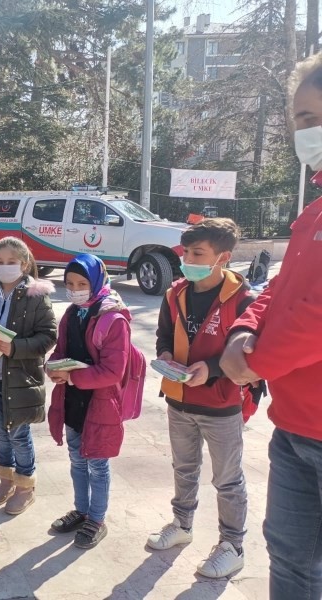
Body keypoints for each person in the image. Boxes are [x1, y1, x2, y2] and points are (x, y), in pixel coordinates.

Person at [221, 54, 322, 599]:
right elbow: (280, 290)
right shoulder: (314, 214)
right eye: (301, 119)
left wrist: (254, 362)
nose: (307, 131)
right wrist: (244, 330)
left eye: (317, 117)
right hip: (296, 428)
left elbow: (316, 316)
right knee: (288, 556)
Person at [147, 218, 257, 579]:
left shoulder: (243, 299)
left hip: (222, 406)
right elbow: (164, 334)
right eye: (185, 252)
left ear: (222, 257)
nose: (187, 258)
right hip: (179, 401)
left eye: (197, 253)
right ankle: (182, 524)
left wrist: (211, 369)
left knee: (227, 479)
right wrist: (164, 355)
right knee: (183, 468)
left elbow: (250, 356)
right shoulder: (175, 292)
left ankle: (232, 545)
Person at [0, 237, 57, 515]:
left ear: (24, 264)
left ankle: (26, 486)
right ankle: (6, 480)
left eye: (11, 262)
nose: (4, 267)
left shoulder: (36, 295)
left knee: (18, 434)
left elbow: (48, 336)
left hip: (21, 379)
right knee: (0, 433)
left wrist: (15, 348)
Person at [47, 254, 131, 549]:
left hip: (100, 404)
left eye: (82, 283)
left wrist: (71, 378)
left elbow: (113, 371)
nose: (75, 288)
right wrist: (53, 366)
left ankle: (97, 518)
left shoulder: (113, 318)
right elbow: (60, 350)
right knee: (76, 461)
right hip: (72, 402)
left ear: (96, 281)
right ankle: (81, 510)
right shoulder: (72, 313)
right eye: (70, 283)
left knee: (97, 464)